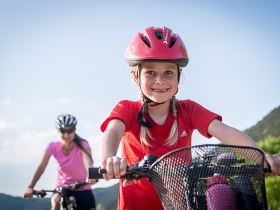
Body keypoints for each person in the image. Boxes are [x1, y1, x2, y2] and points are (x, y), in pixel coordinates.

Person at [99, 26, 280, 210]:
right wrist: (109, 159)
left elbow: (227, 134)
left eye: (168, 72)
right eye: (150, 72)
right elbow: (112, 131)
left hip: (180, 206)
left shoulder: (188, 110)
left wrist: (261, 157)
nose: (160, 80)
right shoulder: (128, 109)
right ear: (135, 76)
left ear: (179, 76)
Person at [24, 113, 97, 210]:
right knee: (55, 202)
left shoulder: (82, 144)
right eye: (62, 131)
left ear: (74, 130)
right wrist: (30, 187)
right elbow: (41, 166)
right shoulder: (52, 146)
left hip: (82, 186)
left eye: (69, 131)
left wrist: (91, 175)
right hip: (62, 187)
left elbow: (88, 162)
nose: (66, 135)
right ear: (58, 131)